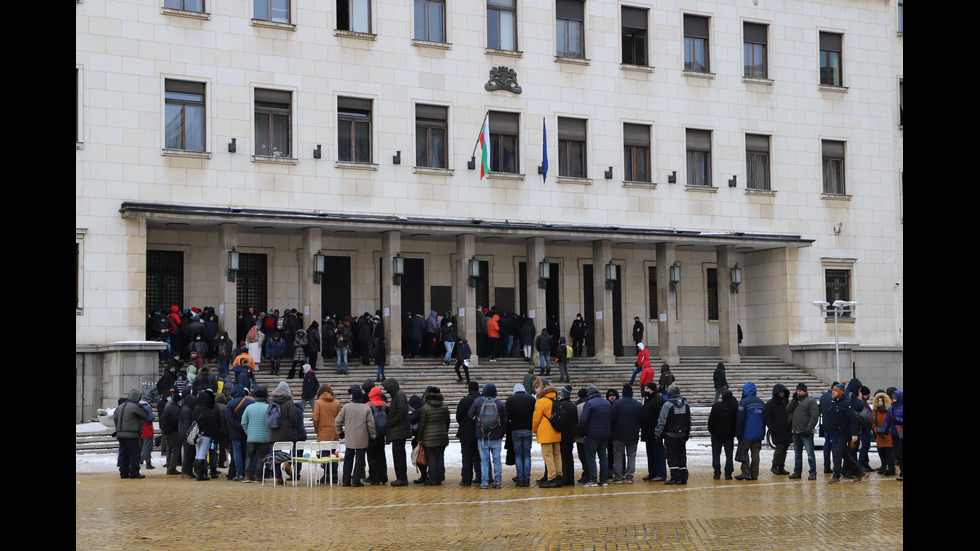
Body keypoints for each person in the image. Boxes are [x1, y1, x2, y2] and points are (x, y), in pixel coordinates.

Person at [468, 383, 508, 489]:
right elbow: (504, 420)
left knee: (484, 460)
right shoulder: (499, 403)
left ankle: (485, 482)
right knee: (497, 459)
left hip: (482, 436)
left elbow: (470, 415)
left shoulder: (478, 402)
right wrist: (501, 433)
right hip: (496, 437)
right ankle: (498, 481)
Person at [335, 386, 376, 486]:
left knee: (348, 460)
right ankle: (356, 481)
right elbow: (371, 425)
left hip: (350, 439)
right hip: (362, 439)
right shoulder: (366, 408)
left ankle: (346, 480)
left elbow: (337, 421)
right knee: (359, 460)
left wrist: (340, 432)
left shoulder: (346, 407)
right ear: (361, 397)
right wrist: (373, 436)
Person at [825, 383, 866, 484]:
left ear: (840, 393)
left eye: (835, 391)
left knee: (837, 454)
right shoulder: (833, 403)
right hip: (835, 434)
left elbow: (853, 419)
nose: (833, 392)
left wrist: (854, 434)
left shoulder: (846, 403)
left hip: (843, 434)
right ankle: (859, 472)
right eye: (833, 390)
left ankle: (836, 475)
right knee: (845, 455)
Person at [656, 384, 691, 485]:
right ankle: (683, 477)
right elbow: (688, 420)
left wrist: (657, 434)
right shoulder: (685, 403)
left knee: (672, 456)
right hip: (682, 434)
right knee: (682, 455)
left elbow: (662, 421)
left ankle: (675, 478)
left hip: (670, 435)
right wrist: (687, 433)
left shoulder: (668, 404)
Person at [578, 385, 612, 487]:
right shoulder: (607, 403)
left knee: (591, 457)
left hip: (591, 435)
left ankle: (593, 480)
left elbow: (584, 420)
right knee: (603, 457)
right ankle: (604, 480)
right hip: (605, 435)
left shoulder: (589, 403)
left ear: (590, 394)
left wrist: (582, 433)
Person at [416, 386, 451, 485]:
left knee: (431, 458)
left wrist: (419, 437)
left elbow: (422, 424)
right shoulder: (444, 407)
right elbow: (447, 422)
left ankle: (432, 479)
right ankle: (439, 478)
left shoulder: (425, 408)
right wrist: (444, 431)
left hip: (429, 437)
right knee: (440, 457)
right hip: (442, 435)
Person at [381, 378, 411, 486]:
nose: (386, 391)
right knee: (398, 455)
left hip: (399, 431)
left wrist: (392, 422)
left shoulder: (399, 395)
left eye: (387, 389)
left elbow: (402, 411)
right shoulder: (398, 395)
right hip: (398, 431)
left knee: (399, 456)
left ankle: (401, 478)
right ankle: (401, 477)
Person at [113, 389, 150, 479]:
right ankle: (134, 473)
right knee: (134, 454)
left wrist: (118, 429)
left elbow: (115, 418)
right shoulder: (134, 407)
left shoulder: (120, 406)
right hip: (131, 434)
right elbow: (145, 415)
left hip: (121, 434)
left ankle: (123, 473)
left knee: (123, 455)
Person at [786, 382, 820, 480]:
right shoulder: (796, 401)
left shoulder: (810, 401)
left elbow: (814, 417)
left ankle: (813, 472)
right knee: (797, 455)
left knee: (810, 454)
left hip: (806, 432)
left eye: (800, 391)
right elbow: (787, 410)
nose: (798, 393)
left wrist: (808, 429)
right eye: (797, 391)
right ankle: (797, 472)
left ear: (804, 391)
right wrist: (793, 401)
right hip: (795, 431)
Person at [532, 382, 563, 488]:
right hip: (557, 431)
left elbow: (536, 418)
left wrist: (535, 430)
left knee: (548, 456)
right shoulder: (556, 400)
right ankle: (559, 476)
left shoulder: (541, 402)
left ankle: (551, 478)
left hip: (546, 433)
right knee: (557, 455)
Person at [610, 384, 642, 483]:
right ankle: (629, 477)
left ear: (623, 393)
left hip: (619, 434)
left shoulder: (617, 404)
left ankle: (618, 477)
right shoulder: (638, 404)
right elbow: (641, 420)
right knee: (631, 455)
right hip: (633, 434)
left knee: (618, 456)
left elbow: (612, 419)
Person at [268, 381, 299, 484]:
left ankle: (278, 478)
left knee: (276, 455)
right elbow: (293, 418)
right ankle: (288, 462)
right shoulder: (290, 403)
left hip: (274, 433)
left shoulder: (272, 402)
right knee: (294, 447)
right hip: (288, 433)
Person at [506, 383, 536, 487]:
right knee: (527, 455)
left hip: (515, 430)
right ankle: (527, 479)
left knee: (518, 455)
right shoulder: (531, 399)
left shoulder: (510, 400)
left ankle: (520, 479)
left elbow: (507, 415)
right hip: (528, 429)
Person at [311, 383, 342, 484]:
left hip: (323, 432)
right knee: (333, 454)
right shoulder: (336, 403)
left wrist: (317, 429)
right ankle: (334, 475)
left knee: (324, 455)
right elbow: (340, 418)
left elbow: (315, 418)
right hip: (334, 432)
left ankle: (327, 475)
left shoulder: (318, 403)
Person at [735, 381, 765, 481]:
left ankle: (746, 472)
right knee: (756, 453)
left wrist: (739, 434)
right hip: (758, 434)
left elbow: (740, 420)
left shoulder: (744, 402)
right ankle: (755, 474)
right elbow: (764, 420)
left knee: (744, 453)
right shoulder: (761, 402)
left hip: (746, 434)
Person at [240, 385, 270, 483]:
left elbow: (243, 422)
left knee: (249, 457)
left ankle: (247, 476)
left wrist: (248, 432)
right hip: (264, 437)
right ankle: (258, 477)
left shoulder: (249, 408)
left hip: (251, 437)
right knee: (260, 457)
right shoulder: (268, 408)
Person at [455, 381, 483, 486]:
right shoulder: (482, 400)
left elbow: (458, 416)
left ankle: (466, 479)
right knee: (480, 457)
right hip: (480, 432)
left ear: (469, 389)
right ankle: (480, 477)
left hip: (466, 433)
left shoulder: (464, 400)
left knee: (467, 457)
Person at [225, 384, 255, 482]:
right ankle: (250, 473)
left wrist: (239, 426)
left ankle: (239, 474)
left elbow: (229, 418)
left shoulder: (230, 403)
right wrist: (245, 427)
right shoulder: (251, 402)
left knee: (237, 454)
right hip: (248, 432)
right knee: (249, 454)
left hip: (235, 432)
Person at [640, 382, 667, 481]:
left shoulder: (659, 399)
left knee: (658, 453)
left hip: (656, 433)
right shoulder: (648, 399)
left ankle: (661, 474)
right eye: (645, 388)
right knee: (650, 454)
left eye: (647, 389)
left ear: (652, 389)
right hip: (648, 432)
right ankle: (652, 473)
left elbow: (662, 416)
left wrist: (659, 431)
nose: (645, 390)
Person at [708, 388, 737, 480]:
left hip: (716, 434)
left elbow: (710, 421)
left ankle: (717, 473)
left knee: (716, 454)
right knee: (729, 455)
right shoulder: (734, 407)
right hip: (729, 435)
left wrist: (712, 431)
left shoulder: (716, 406)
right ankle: (728, 474)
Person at [765, 383, 792, 475]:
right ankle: (774, 465)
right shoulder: (770, 404)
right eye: (781, 392)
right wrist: (772, 428)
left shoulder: (786, 402)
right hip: (777, 430)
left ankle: (781, 466)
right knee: (779, 449)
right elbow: (767, 417)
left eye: (783, 392)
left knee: (784, 449)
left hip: (786, 429)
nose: (783, 393)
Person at [191, 388, 218, 481]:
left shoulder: (195, 408)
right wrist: (215, 436)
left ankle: (198, 472)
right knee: (202, 454)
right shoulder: (208, 411)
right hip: (206, 435)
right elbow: (212, 425)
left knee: (198, 454)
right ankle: (201, 474)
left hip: (196, 435)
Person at [366, 387, 389, 484]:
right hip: (382, 434)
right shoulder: (386, 406)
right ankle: (383, 475)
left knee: (372, 455)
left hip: (371, 435)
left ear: (371, 394)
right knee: (381, 454)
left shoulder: (367, 405)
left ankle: (373, 477)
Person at [872, 390, 895, 476]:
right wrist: (875, 430)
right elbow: (873, 422)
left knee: (889, 453)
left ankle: (891, 468)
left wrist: (886, 431)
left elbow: (892, 422)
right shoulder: (876, 412)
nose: (880, 403)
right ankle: (883, 467)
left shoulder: (890, 410)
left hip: (888, 435)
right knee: (881, 452)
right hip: (879, 434)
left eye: (881, 401)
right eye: (878, 401)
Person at [881, 389, 903, 481]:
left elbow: (894, 420)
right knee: (898, 455)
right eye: (893, 398)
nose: (894, 400)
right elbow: (887, 422)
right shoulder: (891, 408)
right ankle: (902, 471)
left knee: (900, 454)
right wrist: (884, 431)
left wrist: (896, 419)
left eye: (895, 398)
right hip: (895, 434)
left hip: (901, 433)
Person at [160, 390, 183, 475]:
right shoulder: (176, 409)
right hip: (173, 431)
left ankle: (169, 466)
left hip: (167, 431)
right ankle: (172, 467)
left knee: (169, 449)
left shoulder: (169, 408)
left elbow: (162, 419)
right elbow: (176, 421)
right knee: (175, 449)